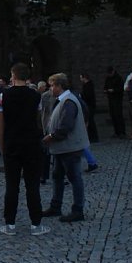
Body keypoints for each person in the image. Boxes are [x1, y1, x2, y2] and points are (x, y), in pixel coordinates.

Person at [0, 63, 49, 236]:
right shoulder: (35, 96)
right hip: (31, 143)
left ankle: (10, 223)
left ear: (13, 75)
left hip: (12, 143)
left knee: (12, 185)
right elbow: (39, 120)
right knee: (32, 185)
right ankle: (36, 223)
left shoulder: (3, 95)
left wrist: (2, 146)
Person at [42, 73, 88, 224]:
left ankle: (78, 210)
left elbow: (66, 126)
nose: (51, 89)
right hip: (62, 148)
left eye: (52, 86)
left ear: (59, 86)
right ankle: (56, 206)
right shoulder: (63, 100)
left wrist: (51, 136)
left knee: (74, 178)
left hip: (69, 147)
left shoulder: (68, 101)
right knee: (57, 176)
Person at [104, 67, 126, 138]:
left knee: (118, 115)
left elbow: (121, 89)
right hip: (111, 99)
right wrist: (106, 90)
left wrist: (113, 90)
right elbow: (105, 86)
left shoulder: (119, 78)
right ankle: (116, 132)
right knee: (113, 115)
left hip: (117, 99)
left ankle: (122, 132)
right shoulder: (108, 78)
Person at [79, 73, 99, 143]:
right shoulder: (87, 85)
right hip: (88, 105)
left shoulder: (88, 85)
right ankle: (92, 136)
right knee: (89, 121)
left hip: (89, 105)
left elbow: (88, 96)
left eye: (81, 78)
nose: (80, 79)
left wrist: (81, 96)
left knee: (91, 121)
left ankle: (94, 137)